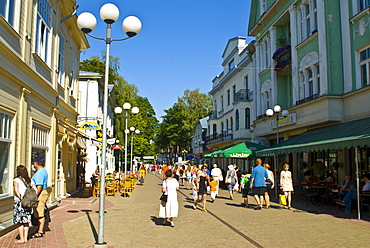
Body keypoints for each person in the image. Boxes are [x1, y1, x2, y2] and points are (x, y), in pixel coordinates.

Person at [13, 165, 35, 244]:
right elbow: (34, 190)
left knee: (19, 221)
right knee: (26, 221)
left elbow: (16, 190)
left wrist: (21, 198)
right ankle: (25, 238)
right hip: (28, 203)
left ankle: (21, 238)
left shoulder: (16, 180)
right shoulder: (30, 180)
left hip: (20, 202)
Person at [31, 157, 50, 238]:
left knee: (39, 212)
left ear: (36, 163)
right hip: (42, 193)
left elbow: (39, 186)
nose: (33, 165)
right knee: (38, 212)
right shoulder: (43, 171)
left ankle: (40, 231)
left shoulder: (40, 173)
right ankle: (39, 228)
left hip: (41, 194)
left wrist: (35, 196)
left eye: (34, 163)